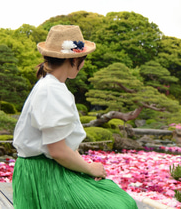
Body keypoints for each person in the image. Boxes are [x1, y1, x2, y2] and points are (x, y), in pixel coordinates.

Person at [12, 25, 138, 209]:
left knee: (115, 195)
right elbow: (56, 151)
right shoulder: (51, 90)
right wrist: (90, 168)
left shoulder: (50, 85)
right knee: (121, 204)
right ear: (75, 59)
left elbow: (61, 145)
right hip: (45, 175)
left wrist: (86, 166)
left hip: (48, 169)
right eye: (83, 59)